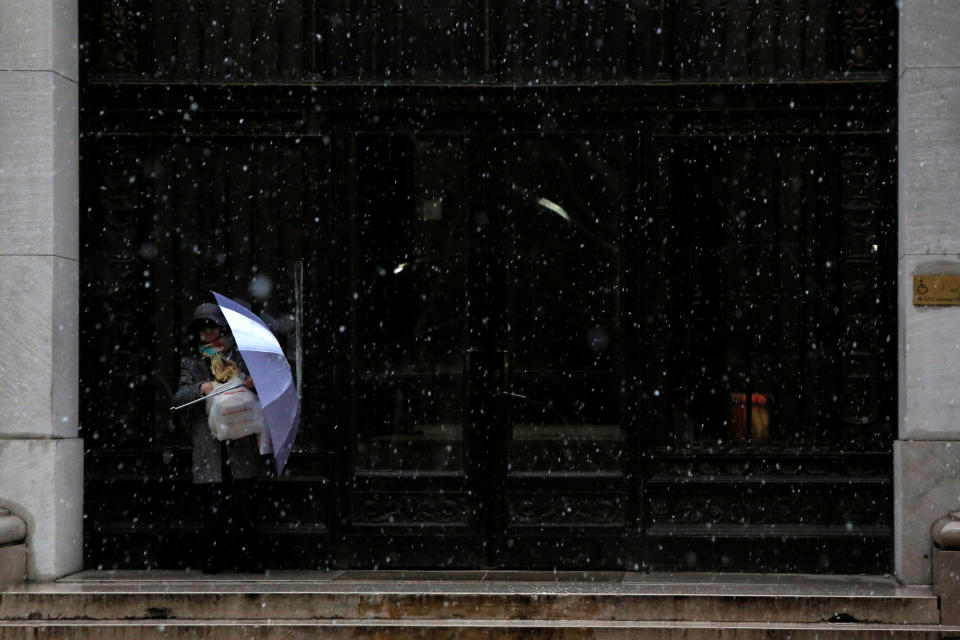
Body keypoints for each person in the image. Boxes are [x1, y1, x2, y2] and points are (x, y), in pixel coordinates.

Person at [172, 302, 268, 573]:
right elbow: (179, 398)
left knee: (245, 506)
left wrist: (251, 382)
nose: (207, 332)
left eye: (211, 326)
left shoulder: (240, 357)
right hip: (209, 445)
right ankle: (212, 559)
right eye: (201, 328)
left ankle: (250, 558)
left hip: (240, 440)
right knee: (213, 509)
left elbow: (262, 389)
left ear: (221, 328)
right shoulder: (191, 362)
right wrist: (200, 389)